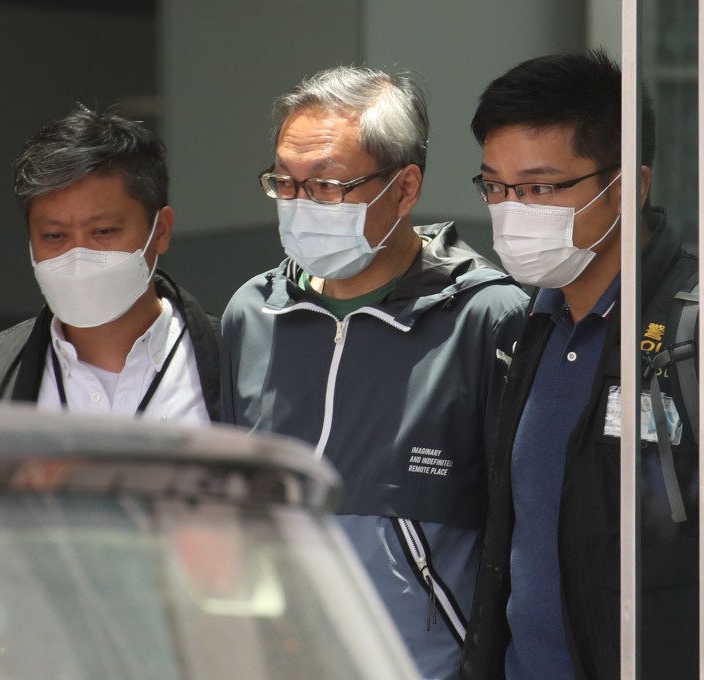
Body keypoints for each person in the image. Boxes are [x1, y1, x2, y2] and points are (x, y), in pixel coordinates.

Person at [458, 49, 704, 679]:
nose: (513, 209)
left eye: (541, 186)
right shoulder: (529, 325)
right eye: (495, 186)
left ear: (631, 186)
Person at [220, 65, 528, 678]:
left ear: (405, 188)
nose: (302, 205)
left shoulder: (487, 316)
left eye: (329, 185)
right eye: (285, 182)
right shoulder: (253, 314)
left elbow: (521, 528)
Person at [0, 106, 220, 422]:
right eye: (54, 235)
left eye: (103, 231)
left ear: (160, 231)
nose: (78, 255)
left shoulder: (233, 362)